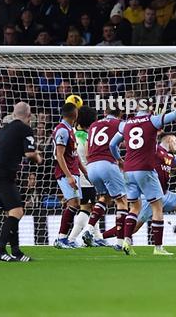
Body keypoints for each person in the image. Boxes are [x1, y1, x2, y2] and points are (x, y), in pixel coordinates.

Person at [110, 81, 176, 256]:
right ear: (150, 107)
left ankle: (126, 241)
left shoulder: (125, 124)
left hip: (128, 170)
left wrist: (120, 161)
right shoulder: (152, 120)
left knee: (134, 208)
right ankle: (158, 248)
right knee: (157, 207)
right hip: (145, 169)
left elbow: (112, 145)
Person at [0, 102, 42, 262]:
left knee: (12, 213)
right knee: (17, 212)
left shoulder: (4, 128)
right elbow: (30, 154)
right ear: (29, 115)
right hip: (4, 176)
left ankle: (16, 252)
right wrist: (39, 158)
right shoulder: (26, 129)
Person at [80, 108, 127, 249]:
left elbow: (88, 148)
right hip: (107, 163)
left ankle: (88, 229)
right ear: (120, 115)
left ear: (105, 113)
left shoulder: (94, 125)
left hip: (92, 166)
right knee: (122, 201)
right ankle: (119, 242)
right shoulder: (120, 123)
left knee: (104, 197)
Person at [66, 105, 107, 247]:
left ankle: (97, 237)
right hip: (86, 177)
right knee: (86, 208)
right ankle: (71, 239)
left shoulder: (74, 134)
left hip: (78, 176)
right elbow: (90, 156)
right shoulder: (87, 137)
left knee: (91, 206)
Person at [52, 103, 90, 249]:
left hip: (74, 171)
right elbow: (59, 155)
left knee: (76, 203)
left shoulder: (70, 129)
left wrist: (84, 171)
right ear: (73, 113)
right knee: (73, 203)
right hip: (65, 172)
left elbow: (74, 155)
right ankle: (61, 239)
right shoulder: (62, 130)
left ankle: (64, 238)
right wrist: (68, 176)